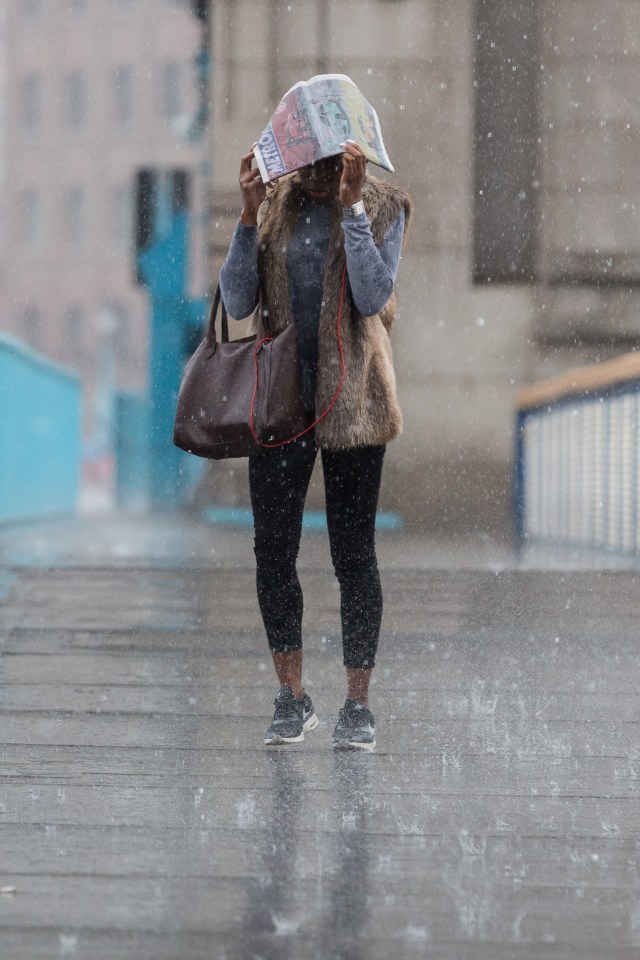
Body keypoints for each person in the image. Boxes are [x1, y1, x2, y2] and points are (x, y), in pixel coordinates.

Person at [220, 91, 411, 751]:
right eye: (317, 165)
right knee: (272, 553)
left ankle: (358, 706)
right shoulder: (276, 204)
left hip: (354, 403)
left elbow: (372, 294)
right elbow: (239, 299)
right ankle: (291, 696)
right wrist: (247, 217)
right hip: (277, 404)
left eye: (337, 164)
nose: (326, 176)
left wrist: (354, 207)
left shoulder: (385, 206)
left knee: (353, 556)